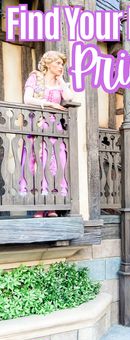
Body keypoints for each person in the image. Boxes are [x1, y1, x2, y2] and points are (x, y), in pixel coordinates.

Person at [24, 50, 73, 217]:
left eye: (62, 64)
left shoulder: (60, 83)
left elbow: (69, 97)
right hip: (38, 126)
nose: (61, 67)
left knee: (55, 165)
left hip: (55, 131)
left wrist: (61, 80)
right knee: (39, 163)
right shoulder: (35, 77)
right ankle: (39, 207)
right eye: (58, 63)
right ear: (48, 63)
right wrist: (50, 105)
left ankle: (51, 206)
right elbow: (27, 99)